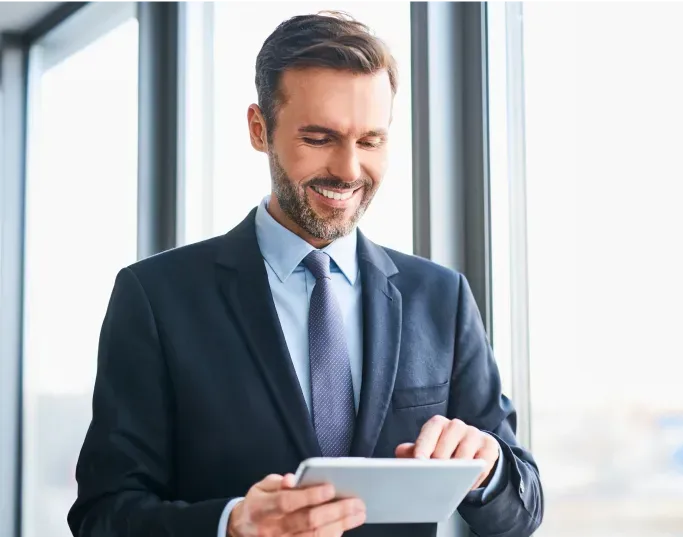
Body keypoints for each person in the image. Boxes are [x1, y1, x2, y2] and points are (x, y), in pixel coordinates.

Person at [68, 11, 542, 537]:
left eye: (370, 141)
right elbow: (103, 515)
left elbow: (521, 510)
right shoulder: (156, 298)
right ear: (259, 129)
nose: (348, 169)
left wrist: (489, 466)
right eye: (319, 138)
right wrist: (232, 525)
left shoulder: (441, 297)